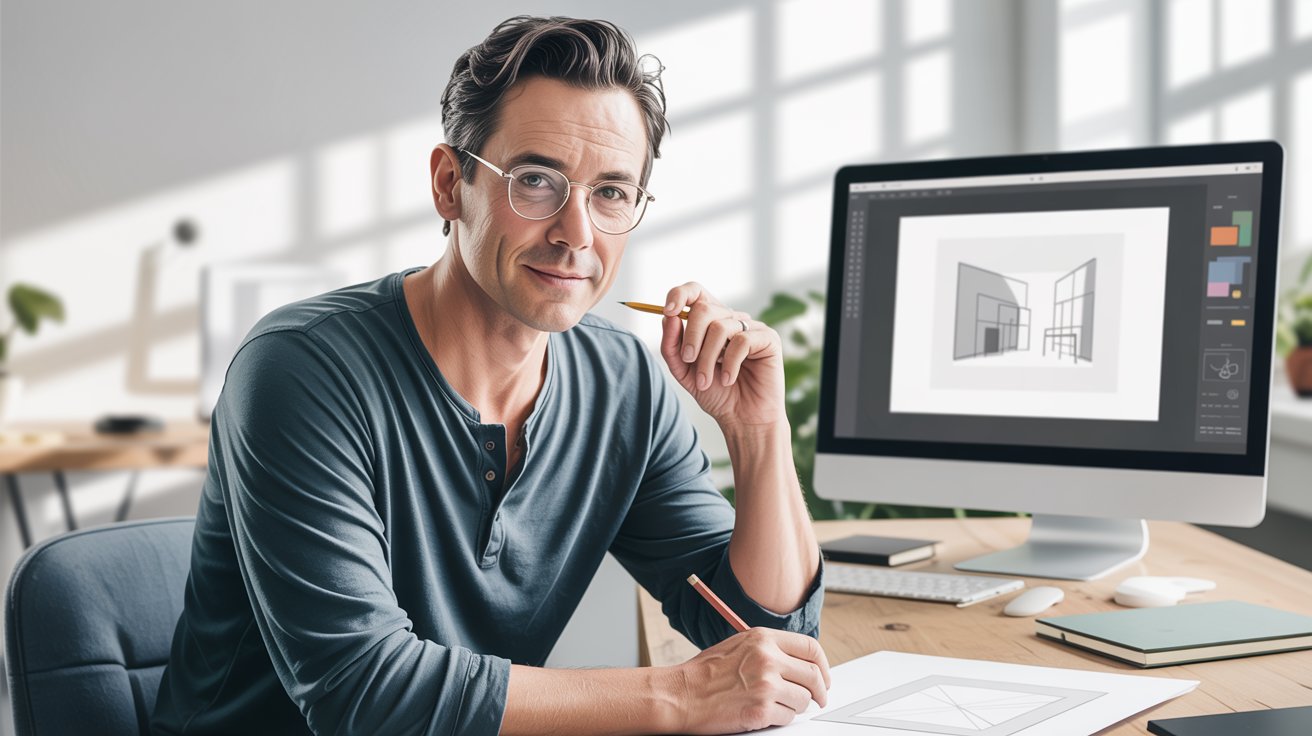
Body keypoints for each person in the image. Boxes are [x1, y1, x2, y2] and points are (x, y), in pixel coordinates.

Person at [152, 15, 828, 736]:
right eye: (537, 181)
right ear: (451, 184)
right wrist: (680, 696)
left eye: (611, 193)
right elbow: (362, 691)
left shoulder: (621, 381)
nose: (576, 234)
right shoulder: (299, 370)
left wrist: (759, 432)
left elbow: (763, 634)